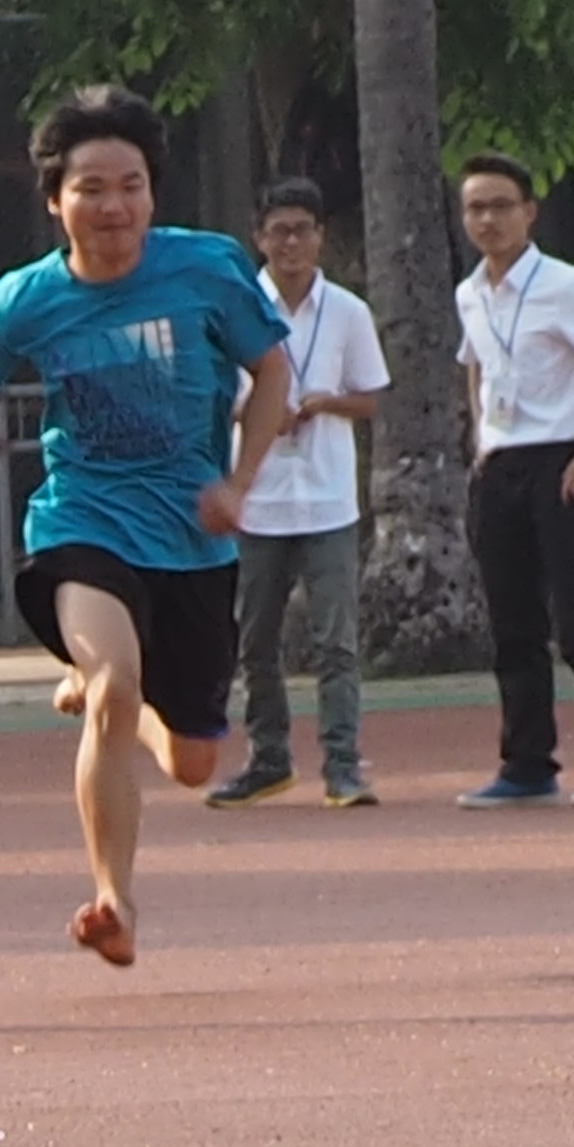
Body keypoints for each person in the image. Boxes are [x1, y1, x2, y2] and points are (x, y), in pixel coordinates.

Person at [0, 86, 293, 966]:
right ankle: (114, 901)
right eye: (91, 187)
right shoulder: (25, 300)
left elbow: (272, 374)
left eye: (131, 185)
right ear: (55, 199)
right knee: (118, 674)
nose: (113, 206)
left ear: (153, 194)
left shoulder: (206, 270)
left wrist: (240, 481)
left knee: (196, 761)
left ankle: (104, 693)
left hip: (193, 535)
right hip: (82, 520)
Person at [451, 157, 574, 807]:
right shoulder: (470, 292)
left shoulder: (565, 285)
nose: (488, 220)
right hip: (500, 463)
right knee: (512, 622)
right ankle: (527, 762)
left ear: (529, 211)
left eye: (501, 205)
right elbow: (476, 363)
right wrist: (481, 437)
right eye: (476, 207)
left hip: (562, 458)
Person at [206, 174, 388, 808]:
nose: (291, 243)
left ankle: (342, 763)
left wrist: (324, 402)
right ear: (259, 238)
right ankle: (269, 757)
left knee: (336, 640)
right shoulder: (235, 305)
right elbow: (213, 397)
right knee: (255, 640)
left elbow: (369, 398)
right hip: (256, 500)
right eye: (278, 231)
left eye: (303, 231)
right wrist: (257, 411)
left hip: (328, 497)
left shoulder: (347, 311)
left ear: (320, 238)